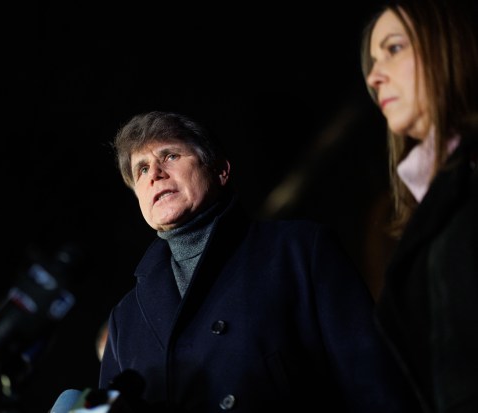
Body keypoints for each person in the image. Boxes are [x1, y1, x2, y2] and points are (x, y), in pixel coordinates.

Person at [93, 110, 420, 412]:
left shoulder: (299, 250)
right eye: (142, 169)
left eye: (170, 156)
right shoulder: (125, 321)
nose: (155, 174)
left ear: (220, 170)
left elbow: (373, 381)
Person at [361, 0, 478, 411]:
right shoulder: (415, 208)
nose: (375, 77)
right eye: (373, 62)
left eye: (393, 49)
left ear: (447, 46)